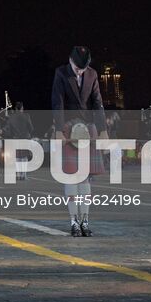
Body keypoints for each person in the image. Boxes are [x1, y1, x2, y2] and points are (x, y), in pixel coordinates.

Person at [51, 46, 108, 237]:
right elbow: (57, 102)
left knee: (84, 178)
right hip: (68, 129)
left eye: (83, 69)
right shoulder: (61, 73)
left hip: (87, 129)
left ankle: (85, 221)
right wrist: (59, 130)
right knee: (71, 177)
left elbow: (98, 103)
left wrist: (103, 130)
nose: (79, 72)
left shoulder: (92, 74)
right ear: (70, 60)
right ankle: (74, 222)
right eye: (77, 68)